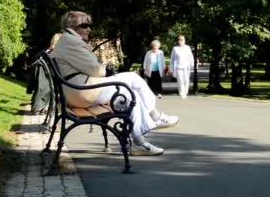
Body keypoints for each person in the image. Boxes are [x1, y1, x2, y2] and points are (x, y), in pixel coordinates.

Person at [51, 11, 179, 156]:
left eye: (89, 25)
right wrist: (108, 70)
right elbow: (95, 69)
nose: (89, 29)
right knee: (132, 78)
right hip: (83, 91)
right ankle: (156, 117)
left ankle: (140, 143)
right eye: (84, 25)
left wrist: (105, 70)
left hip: (77, 90)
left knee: (132, 95)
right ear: (72, 26)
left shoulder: (67, 40)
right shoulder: (72, 42)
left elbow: (89, 67)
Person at [170, 35, 194, 99]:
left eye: (182, 39)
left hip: (186, 67)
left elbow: (191, 56)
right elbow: (172, 59)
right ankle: (181, 93)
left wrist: (192, 64)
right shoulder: (175, 48)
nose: (180, 41)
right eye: (179, 39)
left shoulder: (187, 47)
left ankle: (185, 92)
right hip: (178, 67)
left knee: (186, 80)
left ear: (184, 40)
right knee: (180, 81)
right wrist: (171, 68)